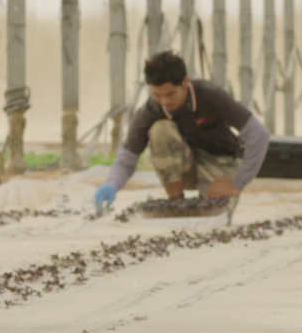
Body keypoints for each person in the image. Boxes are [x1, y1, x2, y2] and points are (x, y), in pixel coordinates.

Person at [93, 52, 270, 213]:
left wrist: (237, 183)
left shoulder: (211, 96)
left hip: (219, 162)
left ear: (185, 82)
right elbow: (127, 158)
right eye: (157, 95)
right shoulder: (150, 110)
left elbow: (259, 134)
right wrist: (111, 184)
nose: (164, 101)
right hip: (184, 167)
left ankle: (206, 200)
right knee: (160, 130)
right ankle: (177, 203)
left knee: (212, 217)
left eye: (170, 94)